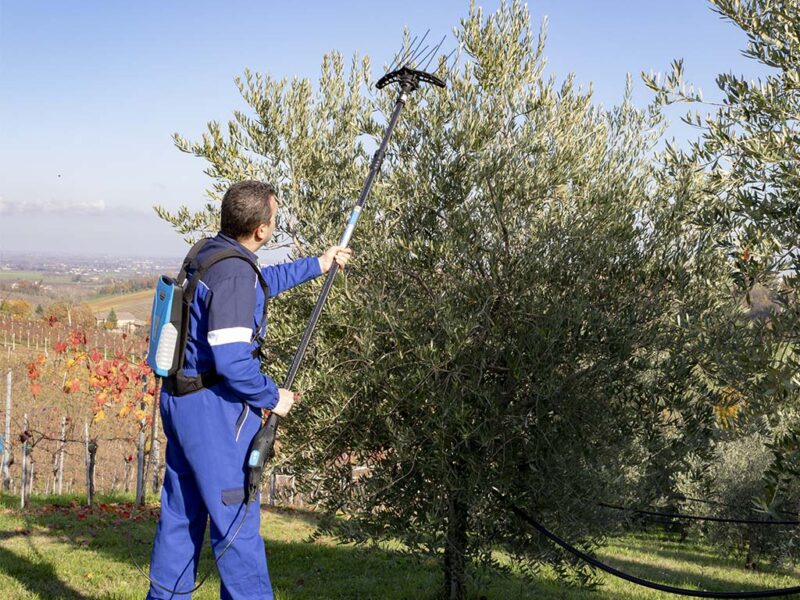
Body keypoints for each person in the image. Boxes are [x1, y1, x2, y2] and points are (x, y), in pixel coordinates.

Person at [146, 180, 351, 600]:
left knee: (181, 515)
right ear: (260, 229)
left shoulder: (209, 253)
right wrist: (273, 396)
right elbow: (233, 362)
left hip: (179, 400)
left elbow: (259, 282)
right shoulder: (237, 272)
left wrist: (319, 263)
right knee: (235, 521)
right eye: (273, 218)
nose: (274, 225)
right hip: (212, 414)